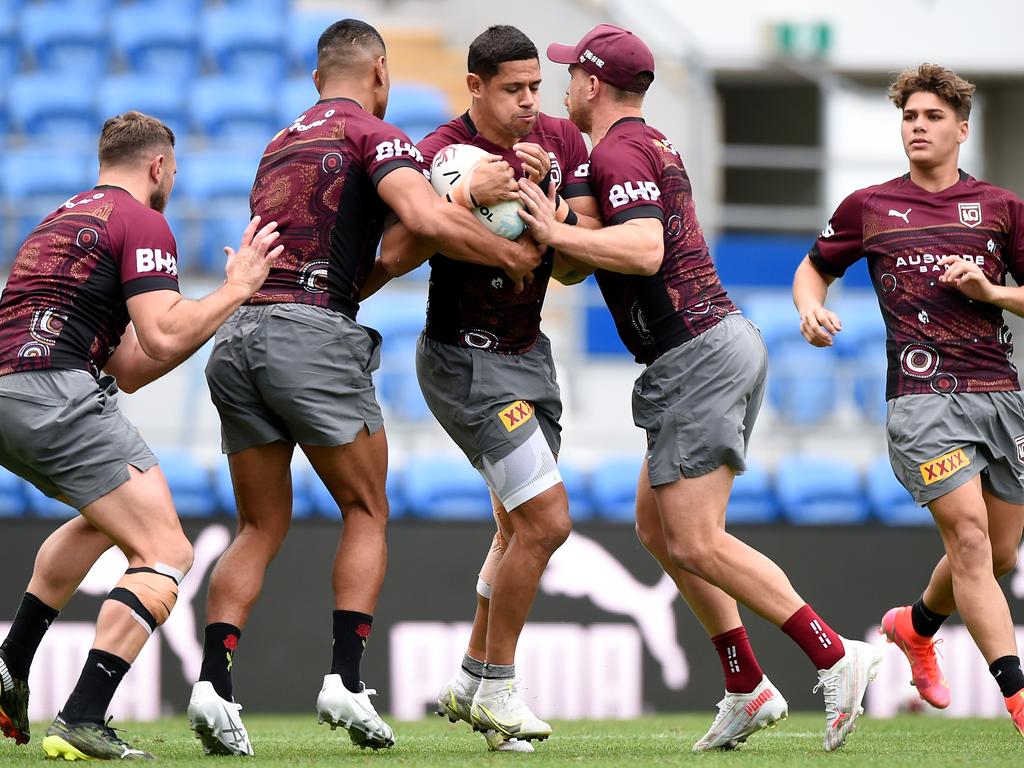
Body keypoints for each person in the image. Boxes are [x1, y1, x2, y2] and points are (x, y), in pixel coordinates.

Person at [520, 23, 882, 752]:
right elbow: (577, 265)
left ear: (592, 84)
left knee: (694, 536)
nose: (562, 86)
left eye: (568, 75)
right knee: (660, 530)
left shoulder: (620, 148)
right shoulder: (638, 145)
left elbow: (643, 247)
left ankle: (837, 653)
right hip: (709, 347)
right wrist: (554, 215)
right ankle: (746, 683)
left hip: (697, 354)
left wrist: (556, 233)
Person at [187, 19, 543, 757]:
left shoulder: (281, 143)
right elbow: (420, 216)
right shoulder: (373, 134)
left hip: (239, 337)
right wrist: (505, 252)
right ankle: (345, 682)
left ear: (320, 77)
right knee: (366, 507)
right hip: (309, 334)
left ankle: (213, 687)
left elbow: (382, 250)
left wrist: (459, 202)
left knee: (258, 527)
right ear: (380, 73)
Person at [0, 111, 281, 761]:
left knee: (107, 520)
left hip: (10, 393)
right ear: (158, 166)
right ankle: (82, 716)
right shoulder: (142, 220)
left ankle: (11, 665)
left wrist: (209, 317)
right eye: (174, 170)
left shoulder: (61, 218)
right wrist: (235, 290)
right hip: (54, 392)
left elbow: (128, 366)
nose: (174, 180)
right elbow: (161, 333)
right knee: (164, 552)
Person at [379, 25, 597, 749]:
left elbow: (570, 270)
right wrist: (473, 191)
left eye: (536, 86)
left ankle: (471, 679)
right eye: (514, 89)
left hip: (531, 356)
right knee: (546, 523)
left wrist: (551, 202)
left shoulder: (559, 143)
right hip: (463, 361)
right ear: (474, 86)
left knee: (515, 528)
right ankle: (501, 686)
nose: (531, 102)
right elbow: (405, 246)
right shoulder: (442, 152)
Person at [793, 63, 1024, 733]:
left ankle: (915, 626)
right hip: (921, 399)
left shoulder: (1003, 208)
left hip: (1001, 395)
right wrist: (810, 308)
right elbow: (815, 266)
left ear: (962, 129)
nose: (917, 127)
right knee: (973, 542)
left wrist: (991, 293)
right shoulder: (868, 206)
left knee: (1001, 554)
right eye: (909, 117)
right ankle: (1017, 695)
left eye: (931, 117)